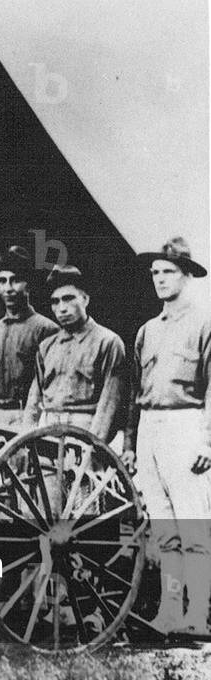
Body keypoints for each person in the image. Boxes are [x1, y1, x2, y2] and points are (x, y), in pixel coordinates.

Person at [123, 238, 211, 636]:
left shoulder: (204, 324)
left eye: (169, 271)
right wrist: (129, 443)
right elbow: (134, 393)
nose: (160, 279)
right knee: (165, 531)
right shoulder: (147, 331)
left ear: (187, 275)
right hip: (150, 429)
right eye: (155, 272)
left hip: (185, 425)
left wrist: (207, 442)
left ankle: (198, 616)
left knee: (193, 528)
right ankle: (171, 612)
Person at [23, 265, 126, 443]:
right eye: (55, 302)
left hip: (84, 430)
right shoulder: (47, 346)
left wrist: (94, 445)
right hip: (48, 429)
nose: (62, 308)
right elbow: (34, 399)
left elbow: (109, 403)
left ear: (85, 299)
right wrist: (25, 439)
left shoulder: (107, 342)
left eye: (68, 299)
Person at [0, 246, 58, 428]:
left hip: (24, 417)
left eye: (15, 280)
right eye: (2, 281)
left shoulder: (45, 329)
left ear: (28, 284)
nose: (8, 288)